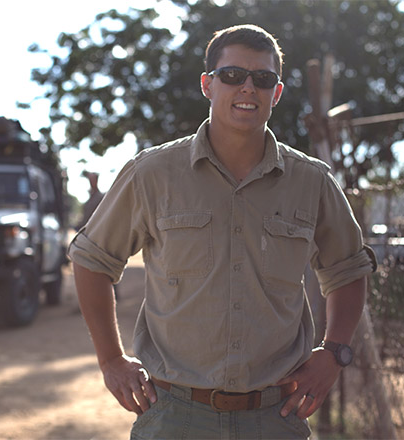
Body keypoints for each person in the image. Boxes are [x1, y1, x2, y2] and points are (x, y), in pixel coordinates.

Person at [68, 24, 375, 439]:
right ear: (208, 85)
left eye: (262, 79)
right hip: (175, 417)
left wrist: (334, 352)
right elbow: (91, 261)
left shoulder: (312, 181)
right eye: (232, 75)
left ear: (276, 93)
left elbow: (348, 271)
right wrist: (110, 360)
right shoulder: (153, 173)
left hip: (275, 417)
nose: (247, 88)